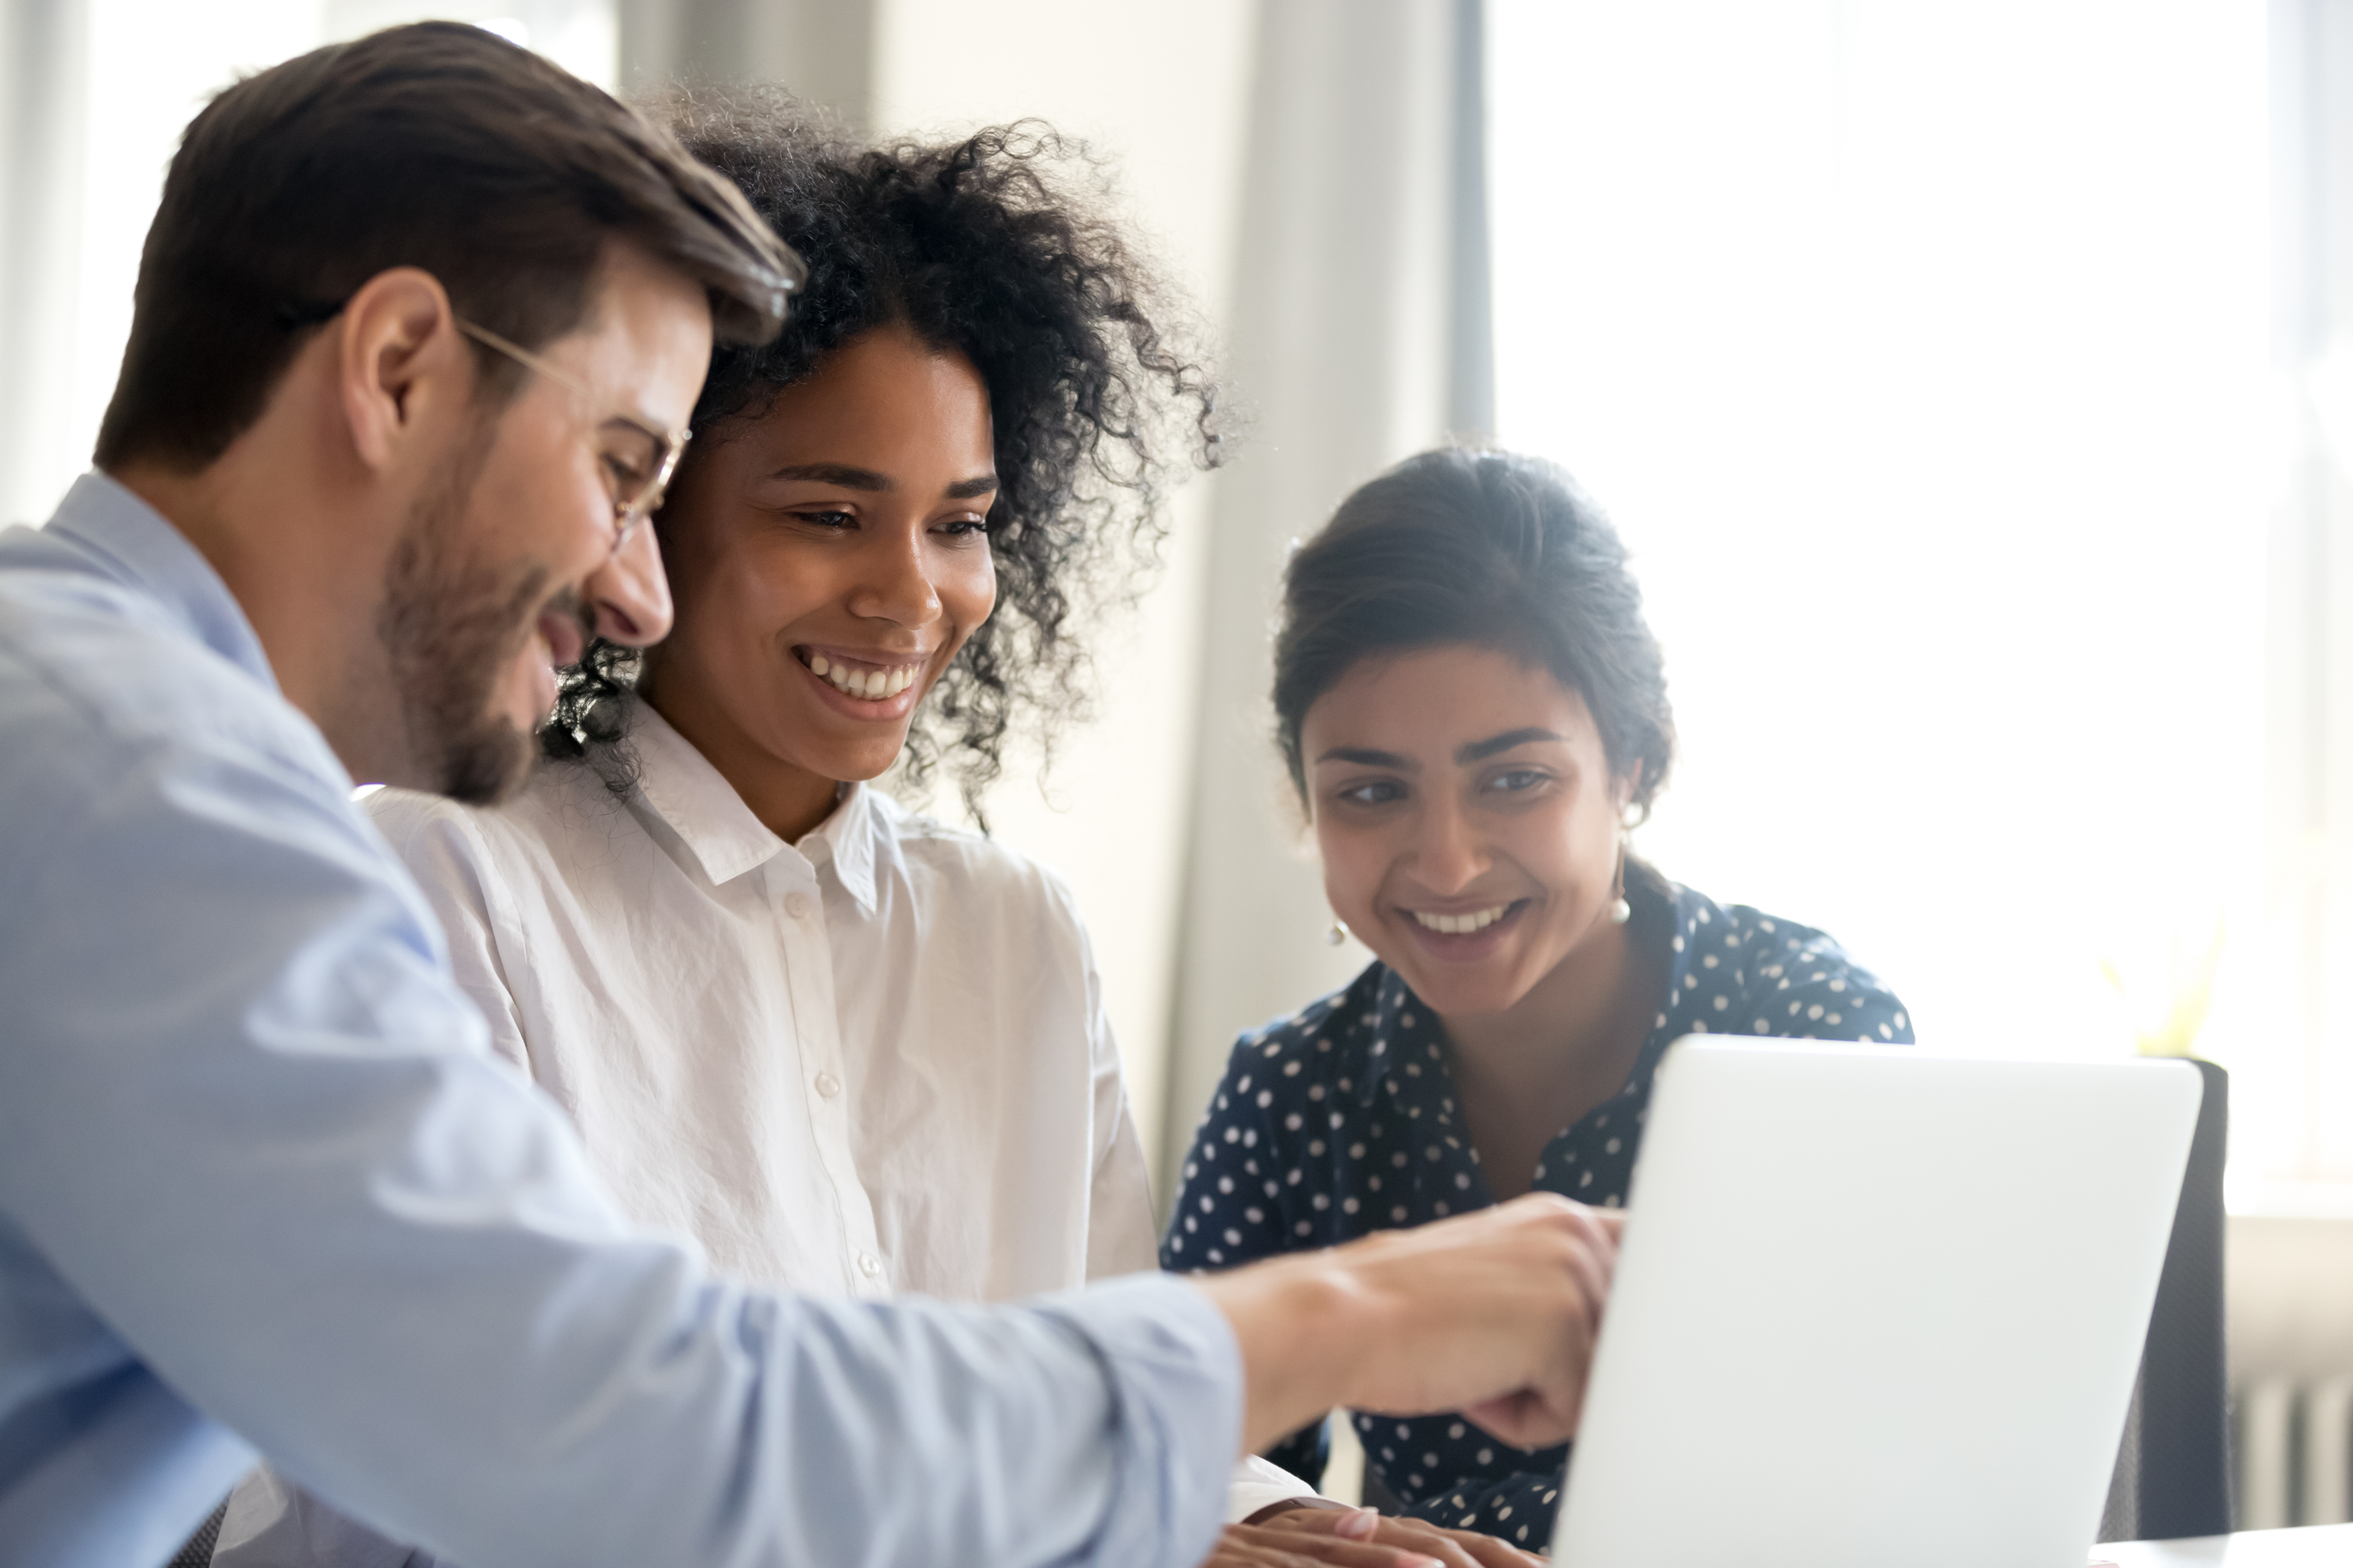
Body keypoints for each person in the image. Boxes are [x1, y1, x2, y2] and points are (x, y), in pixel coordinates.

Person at [0, 28, 1621, 1568]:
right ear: (401, 368)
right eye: (627, 467)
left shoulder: (88, 722)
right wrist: (1362, 1318)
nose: (630, 590)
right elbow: (628, 1432)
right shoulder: (152, 796)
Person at [1163, 447, 1914, 1549]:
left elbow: (1877, 1463)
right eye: (1371, 792)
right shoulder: (1290, 1090)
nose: (1448, 864)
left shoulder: (1807, 1032)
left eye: (1514, 779)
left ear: (1632, 766)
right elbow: (1191, 1448)